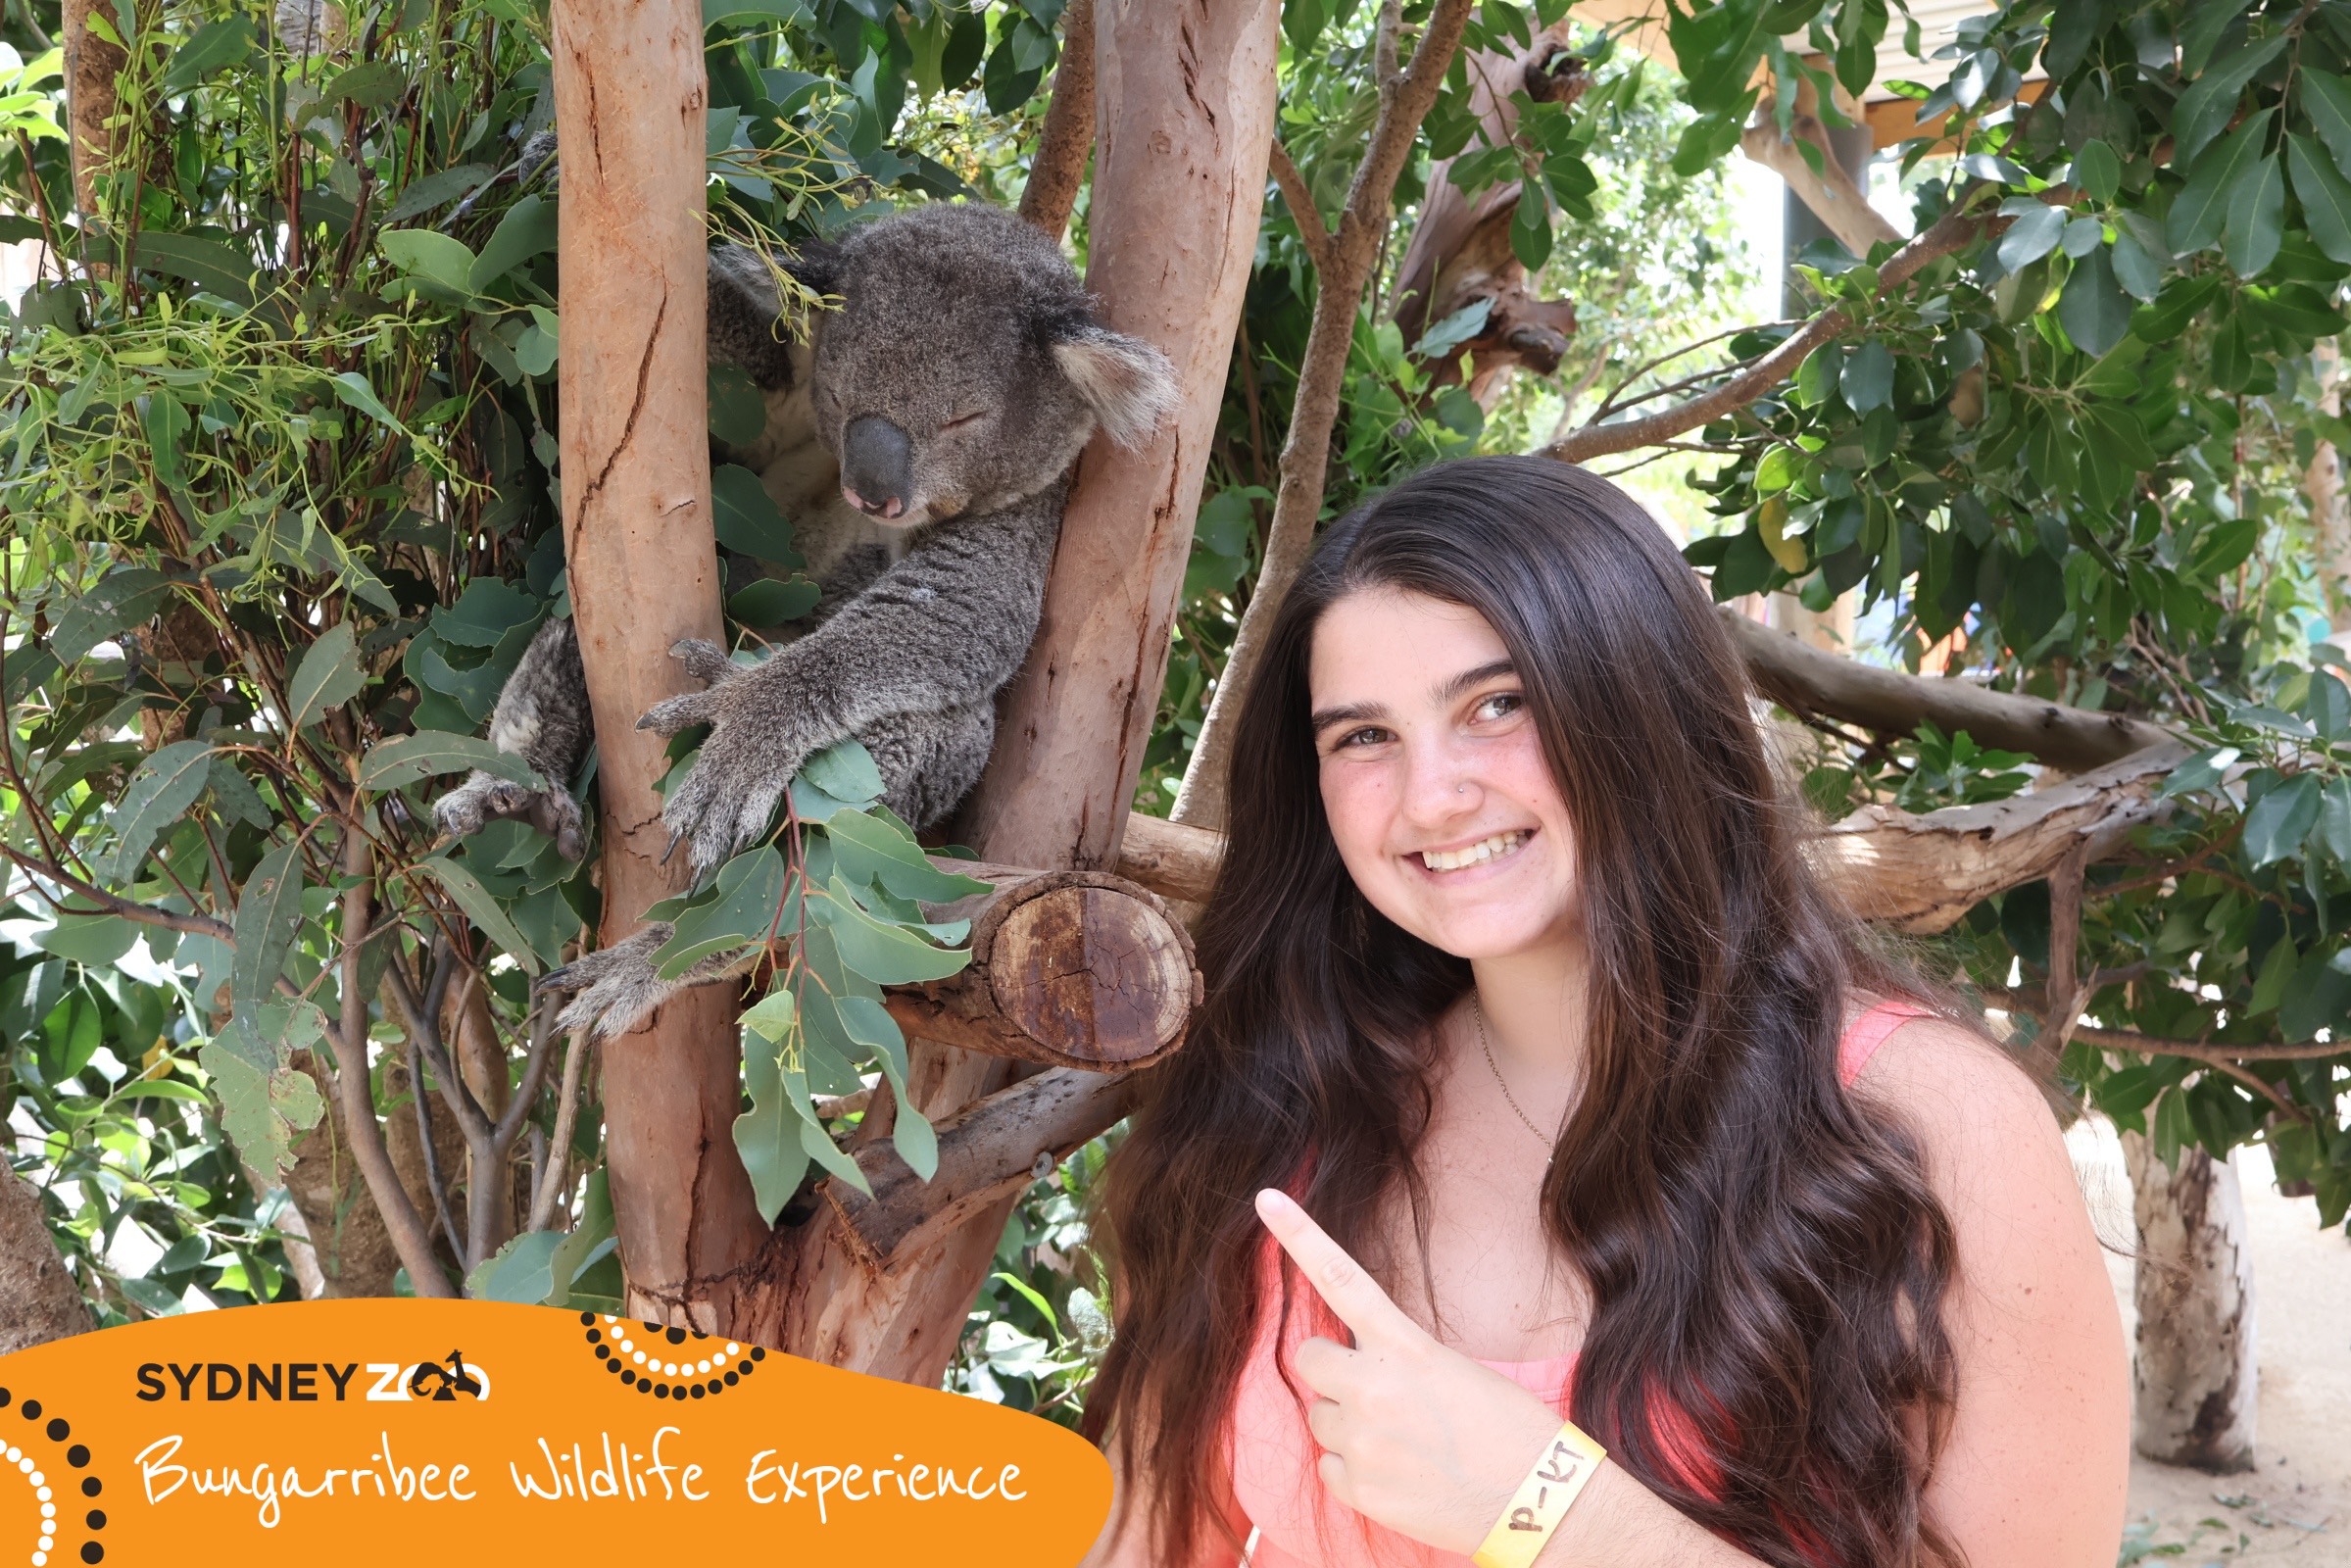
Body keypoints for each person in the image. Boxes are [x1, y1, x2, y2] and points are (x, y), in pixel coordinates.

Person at [1076, 456, 2129, 1568]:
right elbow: (1142, 1535)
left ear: (1639, 703)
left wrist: (1543, 1509)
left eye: (1496, 704)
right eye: (1363, 736)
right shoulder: (1282, 1097)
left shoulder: (1935, 1125)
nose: (1431, 796)